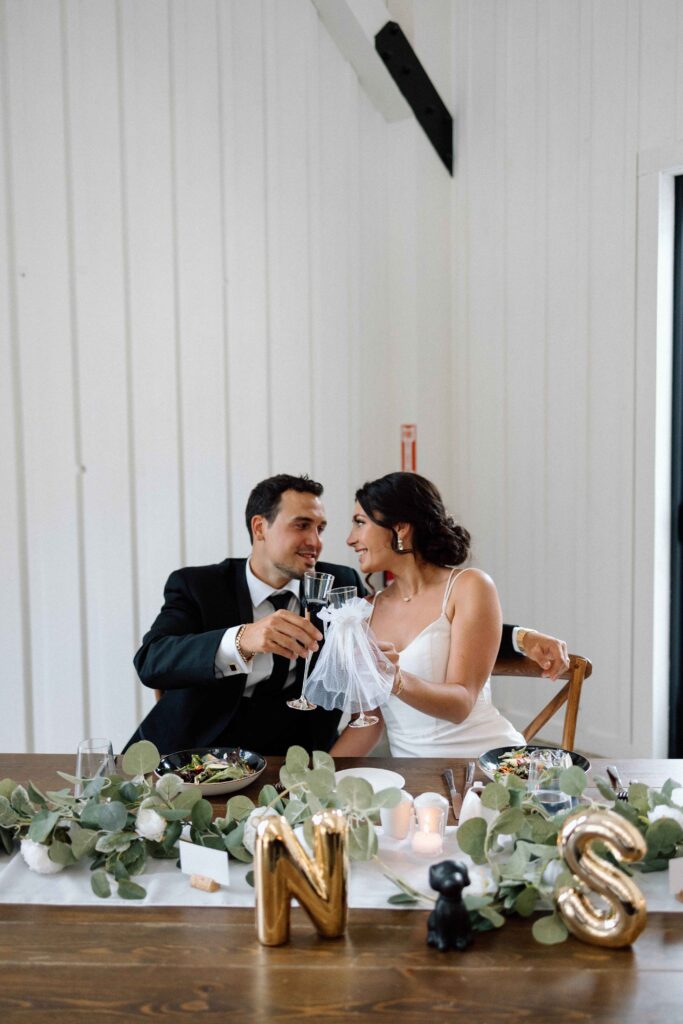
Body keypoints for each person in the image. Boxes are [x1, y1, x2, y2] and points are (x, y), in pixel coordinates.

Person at [126, 473, 568, 756]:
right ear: (260, 528)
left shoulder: (342, 587)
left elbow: (433, 623)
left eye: (321, 528)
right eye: (302, 525)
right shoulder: (198, 585)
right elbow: (153, 661)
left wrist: (518, 637)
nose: (319, 541)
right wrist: (243, 639)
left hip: (292, 755)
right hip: (191, 752)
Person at [330, 472, 567, 758]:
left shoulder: (469, 586)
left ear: (401, 528)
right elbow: (367, 725)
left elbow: (461, 704)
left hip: (487, 763)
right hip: (415, 782)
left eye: (360, 523)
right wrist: (313, 780)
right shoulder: (364, 612)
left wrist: (395, 679)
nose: (350, 539)